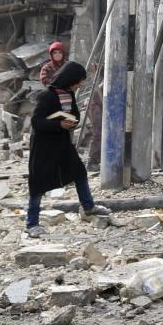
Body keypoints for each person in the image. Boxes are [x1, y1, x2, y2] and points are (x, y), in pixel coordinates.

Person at [26, 61, 111, 238]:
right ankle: (32, 223)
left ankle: (88, 207)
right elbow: (36, 122)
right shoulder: (47, 96)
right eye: (77, 81)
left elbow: (75, 114)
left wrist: (72, 123)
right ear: (69, 79)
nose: (79, 85)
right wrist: (59, 124)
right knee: (38, 183)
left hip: (62, 143)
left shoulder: (69, 95)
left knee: (79, 172)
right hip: (44, 146)